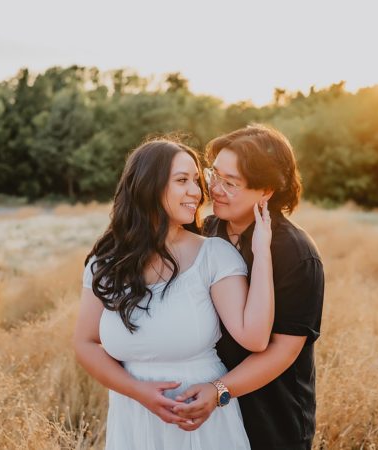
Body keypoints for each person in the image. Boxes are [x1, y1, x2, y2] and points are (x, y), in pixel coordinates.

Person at [71, 138, 274, 449]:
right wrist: (137, 391)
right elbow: (84, 343)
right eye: (182, 181)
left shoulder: (213, 255)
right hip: (133, 420)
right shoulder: (106, 261)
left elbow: (255, 337)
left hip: (202, 423)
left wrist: (262, 252)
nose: (196, 191)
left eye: (196, 180)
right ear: (148, 186)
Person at [170, 124, 325, 450]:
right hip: (209, 419)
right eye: (214, 175)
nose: (215, 189)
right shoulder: (204, 232)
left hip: (271, 419)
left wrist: (219, 390)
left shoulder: (296, 255)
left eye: (231, 183)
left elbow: (283, 351)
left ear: (266, 191)